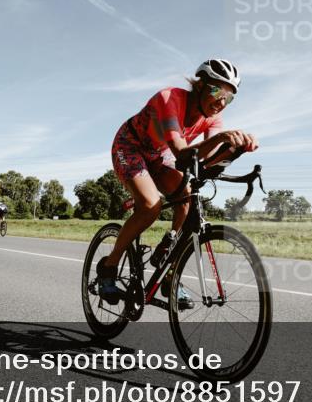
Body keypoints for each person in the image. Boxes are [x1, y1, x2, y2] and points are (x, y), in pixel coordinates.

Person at [96, 59, 258, 309]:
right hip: (130, 146)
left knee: (187, 199)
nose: (221, 102)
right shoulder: (170, 98)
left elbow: (204, 159)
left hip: (159, 156)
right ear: (201, 86)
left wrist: (234, 150)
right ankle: (109, 266)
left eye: (229, 97)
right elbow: (182, 152)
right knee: (150, 205)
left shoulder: (213, 118)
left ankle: (169, 267)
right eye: (217, 91)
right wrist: (224, 139)